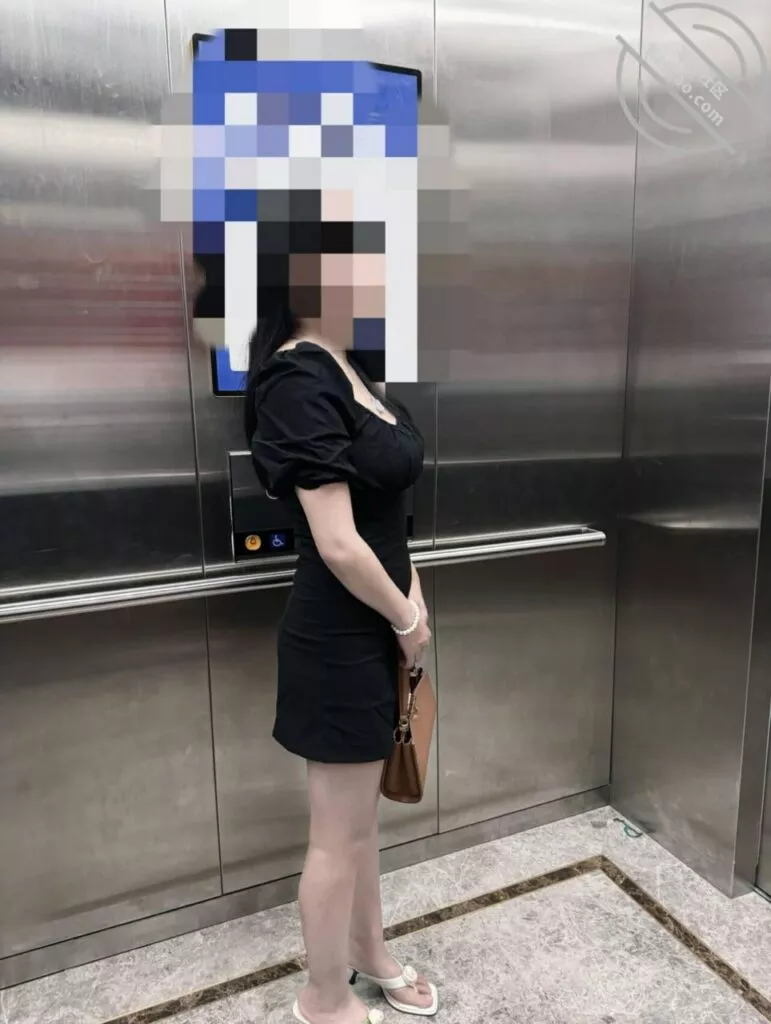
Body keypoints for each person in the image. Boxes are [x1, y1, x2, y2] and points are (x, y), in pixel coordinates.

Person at [244, 208, 438, 1024]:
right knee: (334, 835)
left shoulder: (351, 367)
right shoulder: (297, 379)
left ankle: (369, 952)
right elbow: (336, 541)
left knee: (360, 825)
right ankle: (322, 998)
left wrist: (412, 602)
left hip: (381, 622)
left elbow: (385, 519)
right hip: (338, 637)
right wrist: (404, 620)